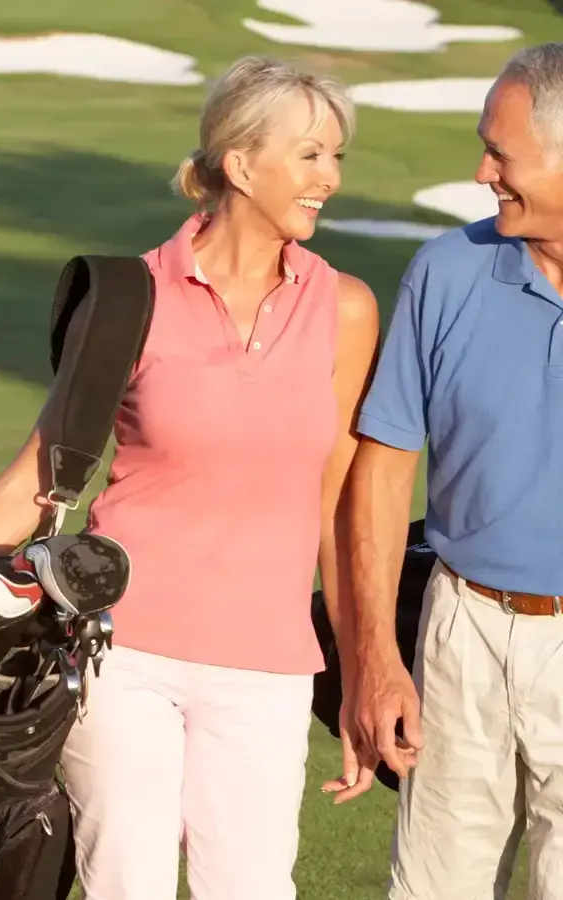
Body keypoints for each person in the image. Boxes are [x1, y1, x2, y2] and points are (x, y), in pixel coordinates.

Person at [0, 56, 379, 899]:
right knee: (127, 885)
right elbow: (43, 469)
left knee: (252, 888)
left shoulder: (345, 309)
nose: (328, 178)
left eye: (337, 158)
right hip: (121, 651)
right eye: (312, 155)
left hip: (267, 665)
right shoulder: (129, 295)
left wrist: (357, 673)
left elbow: (333, 506)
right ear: (242, 164)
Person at [336, 41, 563, 900]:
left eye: (501, 154)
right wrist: (377, 656)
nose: (482, 171)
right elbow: (385, 473)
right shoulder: (447, 271)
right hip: (460, 631)